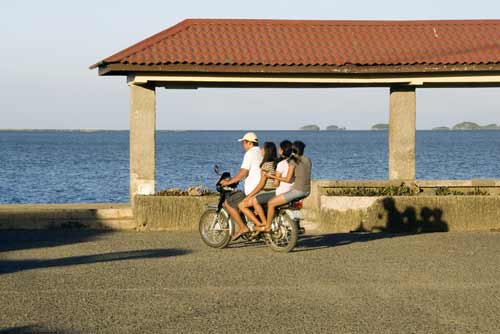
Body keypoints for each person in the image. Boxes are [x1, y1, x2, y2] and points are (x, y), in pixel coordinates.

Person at [256, 140, 312, 232]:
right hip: (307, 191)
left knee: (270, 203)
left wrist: (271, 176)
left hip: (298, 191)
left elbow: (288, 179)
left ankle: (268, 227)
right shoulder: (307, 159)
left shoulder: (293, 161)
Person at [219, 132, 262, 240]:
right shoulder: (261, 152)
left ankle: (243, 227)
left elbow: (243, 172)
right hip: (261, 188)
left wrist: (229, 182)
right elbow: (251, 172)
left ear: (249, 143)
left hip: (253, 190)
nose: (243, 145)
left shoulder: (250, 153)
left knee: (228, 203)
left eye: (244, 143)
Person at [238, 142, 278, 226]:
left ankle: (261, 224)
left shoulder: (265, 166)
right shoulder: (276, 163)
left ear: (267, 151)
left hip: (267, 191)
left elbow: (261, 185)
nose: (261, 150)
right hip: (276, 190)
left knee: (242, 205)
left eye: (263, 149)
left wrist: (249, 196)